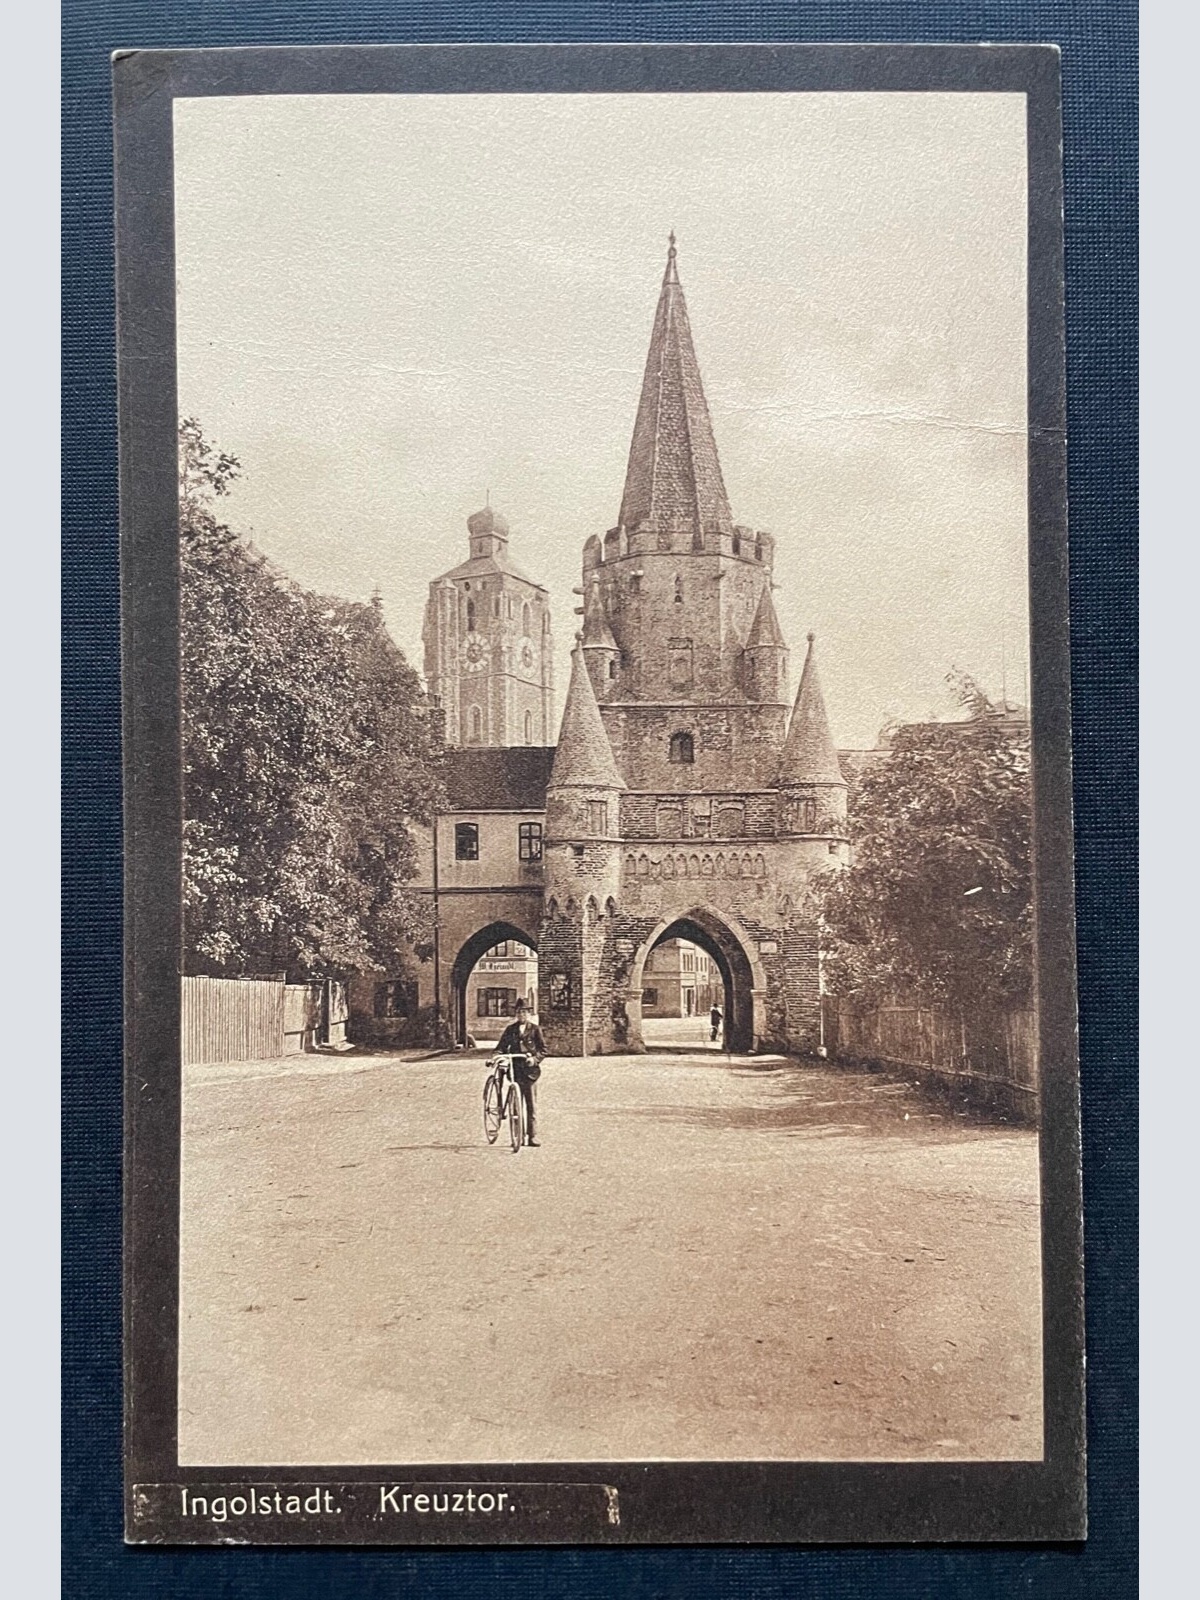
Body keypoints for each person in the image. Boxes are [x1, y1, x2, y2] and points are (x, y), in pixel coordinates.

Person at [496, 999, 546, 1146]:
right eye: (519, 1012)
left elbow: (543, 1050)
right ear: (516, 1014)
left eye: (524, 1012)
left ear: (528, 1013)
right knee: (515, 1106)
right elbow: (501, 1047)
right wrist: (499, 1057)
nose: (521, 1015)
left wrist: (535, 1059)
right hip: (515, 1071)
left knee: (531, 1105)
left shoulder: (535, 1029)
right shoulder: (510, 1030)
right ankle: (517, 1136)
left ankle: (532, 1136)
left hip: (530, 1072)